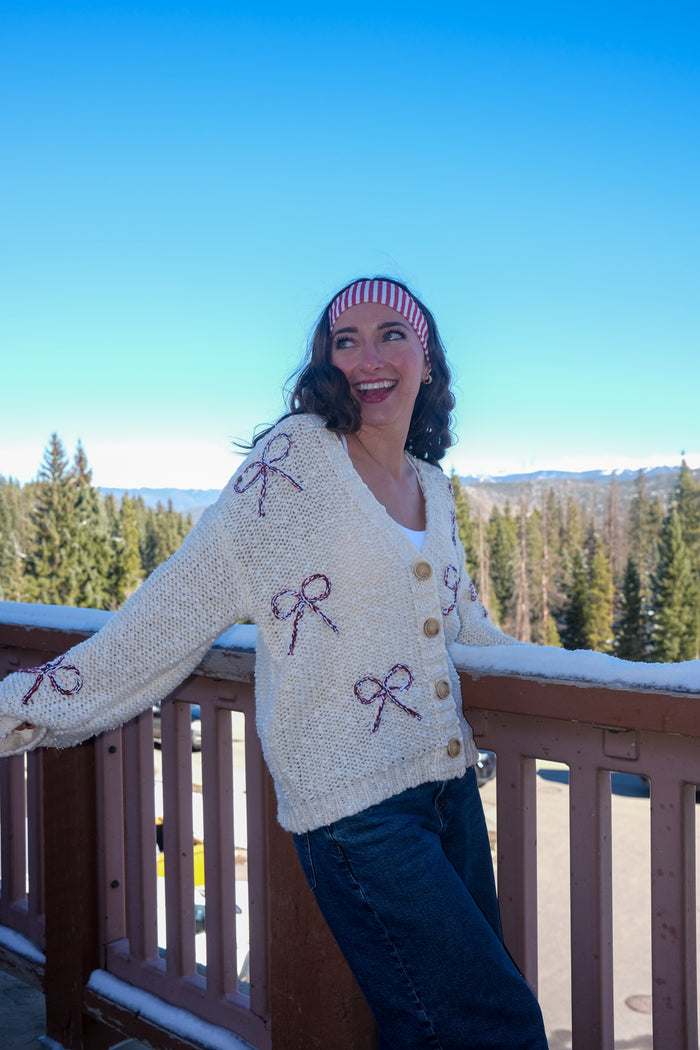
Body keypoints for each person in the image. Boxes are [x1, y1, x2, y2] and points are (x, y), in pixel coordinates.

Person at [0, 277, 549, 1049]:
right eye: (345, 340)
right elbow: (177, 604)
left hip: (448, 791)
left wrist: (586, 676)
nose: (368, 357)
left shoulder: (430, 484)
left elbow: (465, 624)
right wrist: (30, 703)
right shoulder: (292, 464)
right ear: (326, 361)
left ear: (428, 361)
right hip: (359, 812)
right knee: (494, 1027)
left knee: (443, 1027)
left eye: (393, 333)